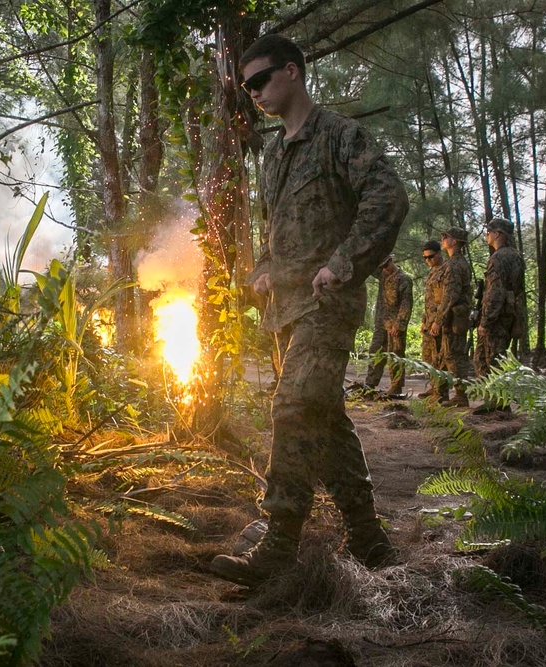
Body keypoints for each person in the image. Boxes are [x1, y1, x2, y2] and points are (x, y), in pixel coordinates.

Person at [208, 34, 407, 587]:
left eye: (260, 80)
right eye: (245, 86)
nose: (253, 93)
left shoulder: (342, 136)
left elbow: (388, 198)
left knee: (294, 406)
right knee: (325, 417)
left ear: (292, 72)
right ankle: (370, 543)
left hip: (328, 303)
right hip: (286, 311)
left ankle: (278, 546)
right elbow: (277, 232)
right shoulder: (274, 154)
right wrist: (263, 270)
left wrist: (343, 263)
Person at [473, 217, 526, 413]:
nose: (487, 235)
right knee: (498, 358)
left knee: (489, 358)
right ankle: (497, 402)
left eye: (488, 232)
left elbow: (495, 292)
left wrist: (485, 320)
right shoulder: (516, 256)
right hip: (509, 314)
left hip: (496, 317)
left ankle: (497, 404)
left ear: (497, 234)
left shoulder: (497, 258)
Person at [434, 227, 473, 407]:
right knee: (446, 355)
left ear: (454, 242)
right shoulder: (455, 263)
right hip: (454, 316)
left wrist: (438, 320)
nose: (442, 239)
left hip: (454, 317)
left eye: (446, 237)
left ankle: (460, 395)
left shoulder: (455, 265)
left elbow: (450, 295)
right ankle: (442, 393)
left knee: (454, 356)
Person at [363, 255, 412, 396]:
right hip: (381, 322)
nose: (384, 269)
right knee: (375, 351)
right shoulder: (383, 275)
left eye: (386, 266)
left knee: (395, 354)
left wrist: (400, 323)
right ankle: (370, 383)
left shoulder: (404, 279)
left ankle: (396, 387)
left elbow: (406, 304)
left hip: (395, 324)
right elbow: (368, 265)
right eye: (381, 267)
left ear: (392, 260)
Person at [419, 240, 448, 400]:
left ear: (439, 253)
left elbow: (445, 300)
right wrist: (425, 320)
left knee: (440, 357)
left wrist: (438, 321)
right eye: (425, 258)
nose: (428, 260)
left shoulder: (446, 270)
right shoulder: (432, 272)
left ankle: (441, 392)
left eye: (430, 256)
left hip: (439, 321)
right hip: (429, 322)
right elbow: (428, 300)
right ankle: (434, 387)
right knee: (428, 358)